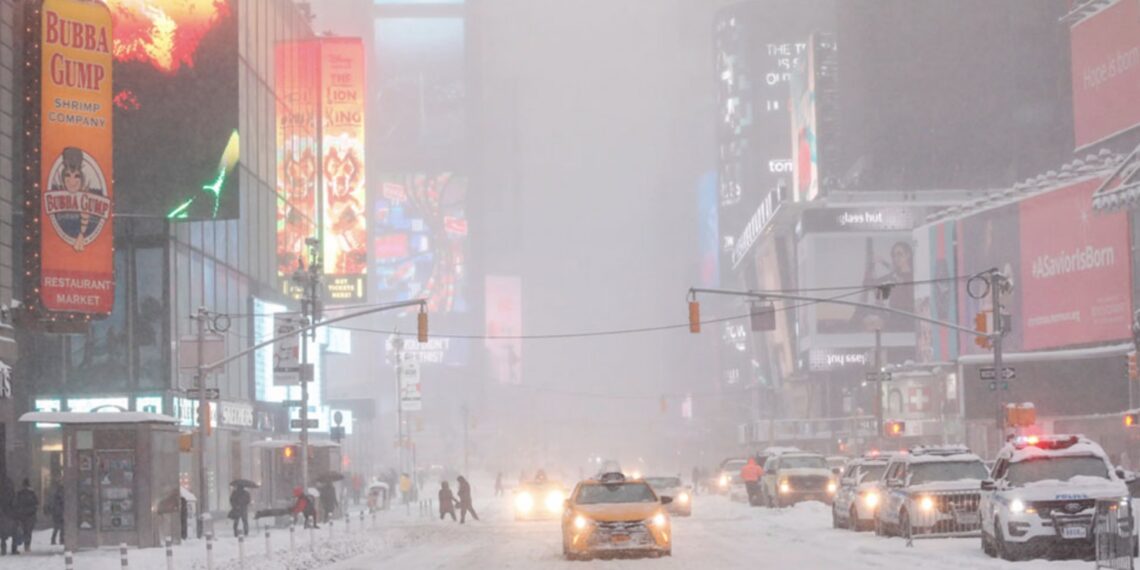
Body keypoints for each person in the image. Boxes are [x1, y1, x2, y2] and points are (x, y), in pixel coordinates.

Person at [13, 479, 38, 553]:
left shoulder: (19, 493)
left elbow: (16, 504)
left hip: (22, 515)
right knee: (29, 531)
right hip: (30, 515)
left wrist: (18, 512)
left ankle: (22, 542)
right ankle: (27, 546)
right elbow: (36, 503)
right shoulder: (32, 493)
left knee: (23, 530)